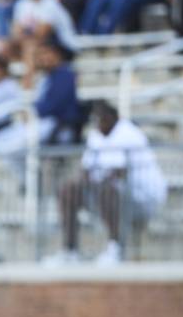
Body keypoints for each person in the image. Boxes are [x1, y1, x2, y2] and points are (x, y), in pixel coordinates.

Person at [46, 101, 167, 267]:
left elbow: (119, 173)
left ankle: (115, 249)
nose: (97, 124)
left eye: (100, 119)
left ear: (113, 117)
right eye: (94, 120)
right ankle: (70, 251)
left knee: (107, 189)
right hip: (108, 194)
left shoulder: (129, 133)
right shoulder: (96, 135)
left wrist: (92, 182)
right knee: (68, 190)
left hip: (143, 198)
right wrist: (77, 183)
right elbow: (86, 170)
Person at [7, 0, 77, 85]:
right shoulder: (22, 3)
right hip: (39, 43)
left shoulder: (50, 3)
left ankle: (28, 81)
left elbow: (42, 33)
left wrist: (22, 37)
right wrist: (20, 37)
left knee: (30, 47)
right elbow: (15, 31)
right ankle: (7, 84)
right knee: (5, 46)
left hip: (63, 44)